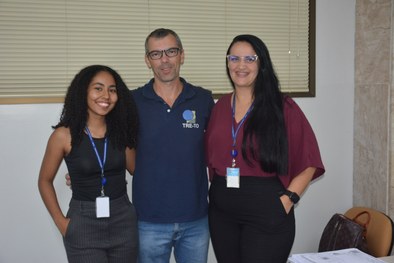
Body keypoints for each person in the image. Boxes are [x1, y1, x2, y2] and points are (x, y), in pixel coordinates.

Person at [205, 34, 325, 263]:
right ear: (227, 62)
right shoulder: (219, 106)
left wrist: (288, 200)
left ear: (262, 64)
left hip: (267, 209)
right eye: (234, 58)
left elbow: (309, 161)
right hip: (222, 213)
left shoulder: (283, 106)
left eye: (250, 58)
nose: (241, 65)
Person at [38, 65, 139, 263]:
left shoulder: (120, 132)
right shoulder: (63, 135)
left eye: (112, 90)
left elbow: (136, 170)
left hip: (123, 220)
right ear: (83, 91)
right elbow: (44, 181)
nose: (106, 96)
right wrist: (62, 223)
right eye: (98, 88)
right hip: (83, 223)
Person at [131, 28, 214, 263]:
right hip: (148, 220)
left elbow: (223, 144)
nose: (164, 59)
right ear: (148, 61)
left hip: (196, 219)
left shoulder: (203, 99)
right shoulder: (132, 101)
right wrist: (85, 172)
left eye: (171, 51)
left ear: (182, 55)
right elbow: (112, 144)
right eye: (156, 54)